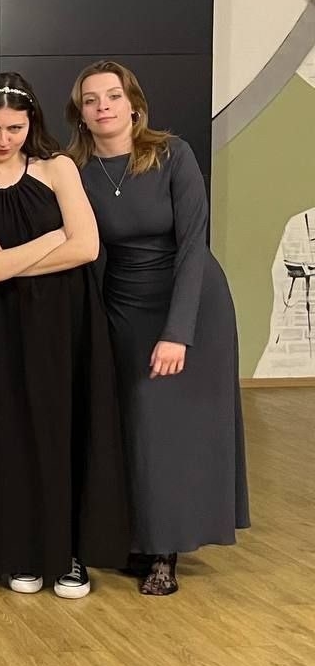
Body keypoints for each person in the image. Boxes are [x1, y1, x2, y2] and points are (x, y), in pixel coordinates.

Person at [0, 72, 130, 599]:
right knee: (11, 432)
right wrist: (51, 239)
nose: (3, 139)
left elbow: (86, 247)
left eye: (15, 128)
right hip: (0, 329)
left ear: (31, 124)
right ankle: (20, 549)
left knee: (65, 429)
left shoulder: (58, 168)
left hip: (66, 322)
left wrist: (8, 261)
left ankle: (69, 553)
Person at [67, 60, 249, 595]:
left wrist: (178, 332)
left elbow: (193, 246)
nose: (103, 106)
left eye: (112, 96)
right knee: (134, 429)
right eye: (91, 100)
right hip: (124, 304)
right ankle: (141, 537)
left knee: (169, 430)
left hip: (189, 301)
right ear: (80, 113)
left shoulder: (172, 154)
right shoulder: (73, 171)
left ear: (134, 104)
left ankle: (165, 551)